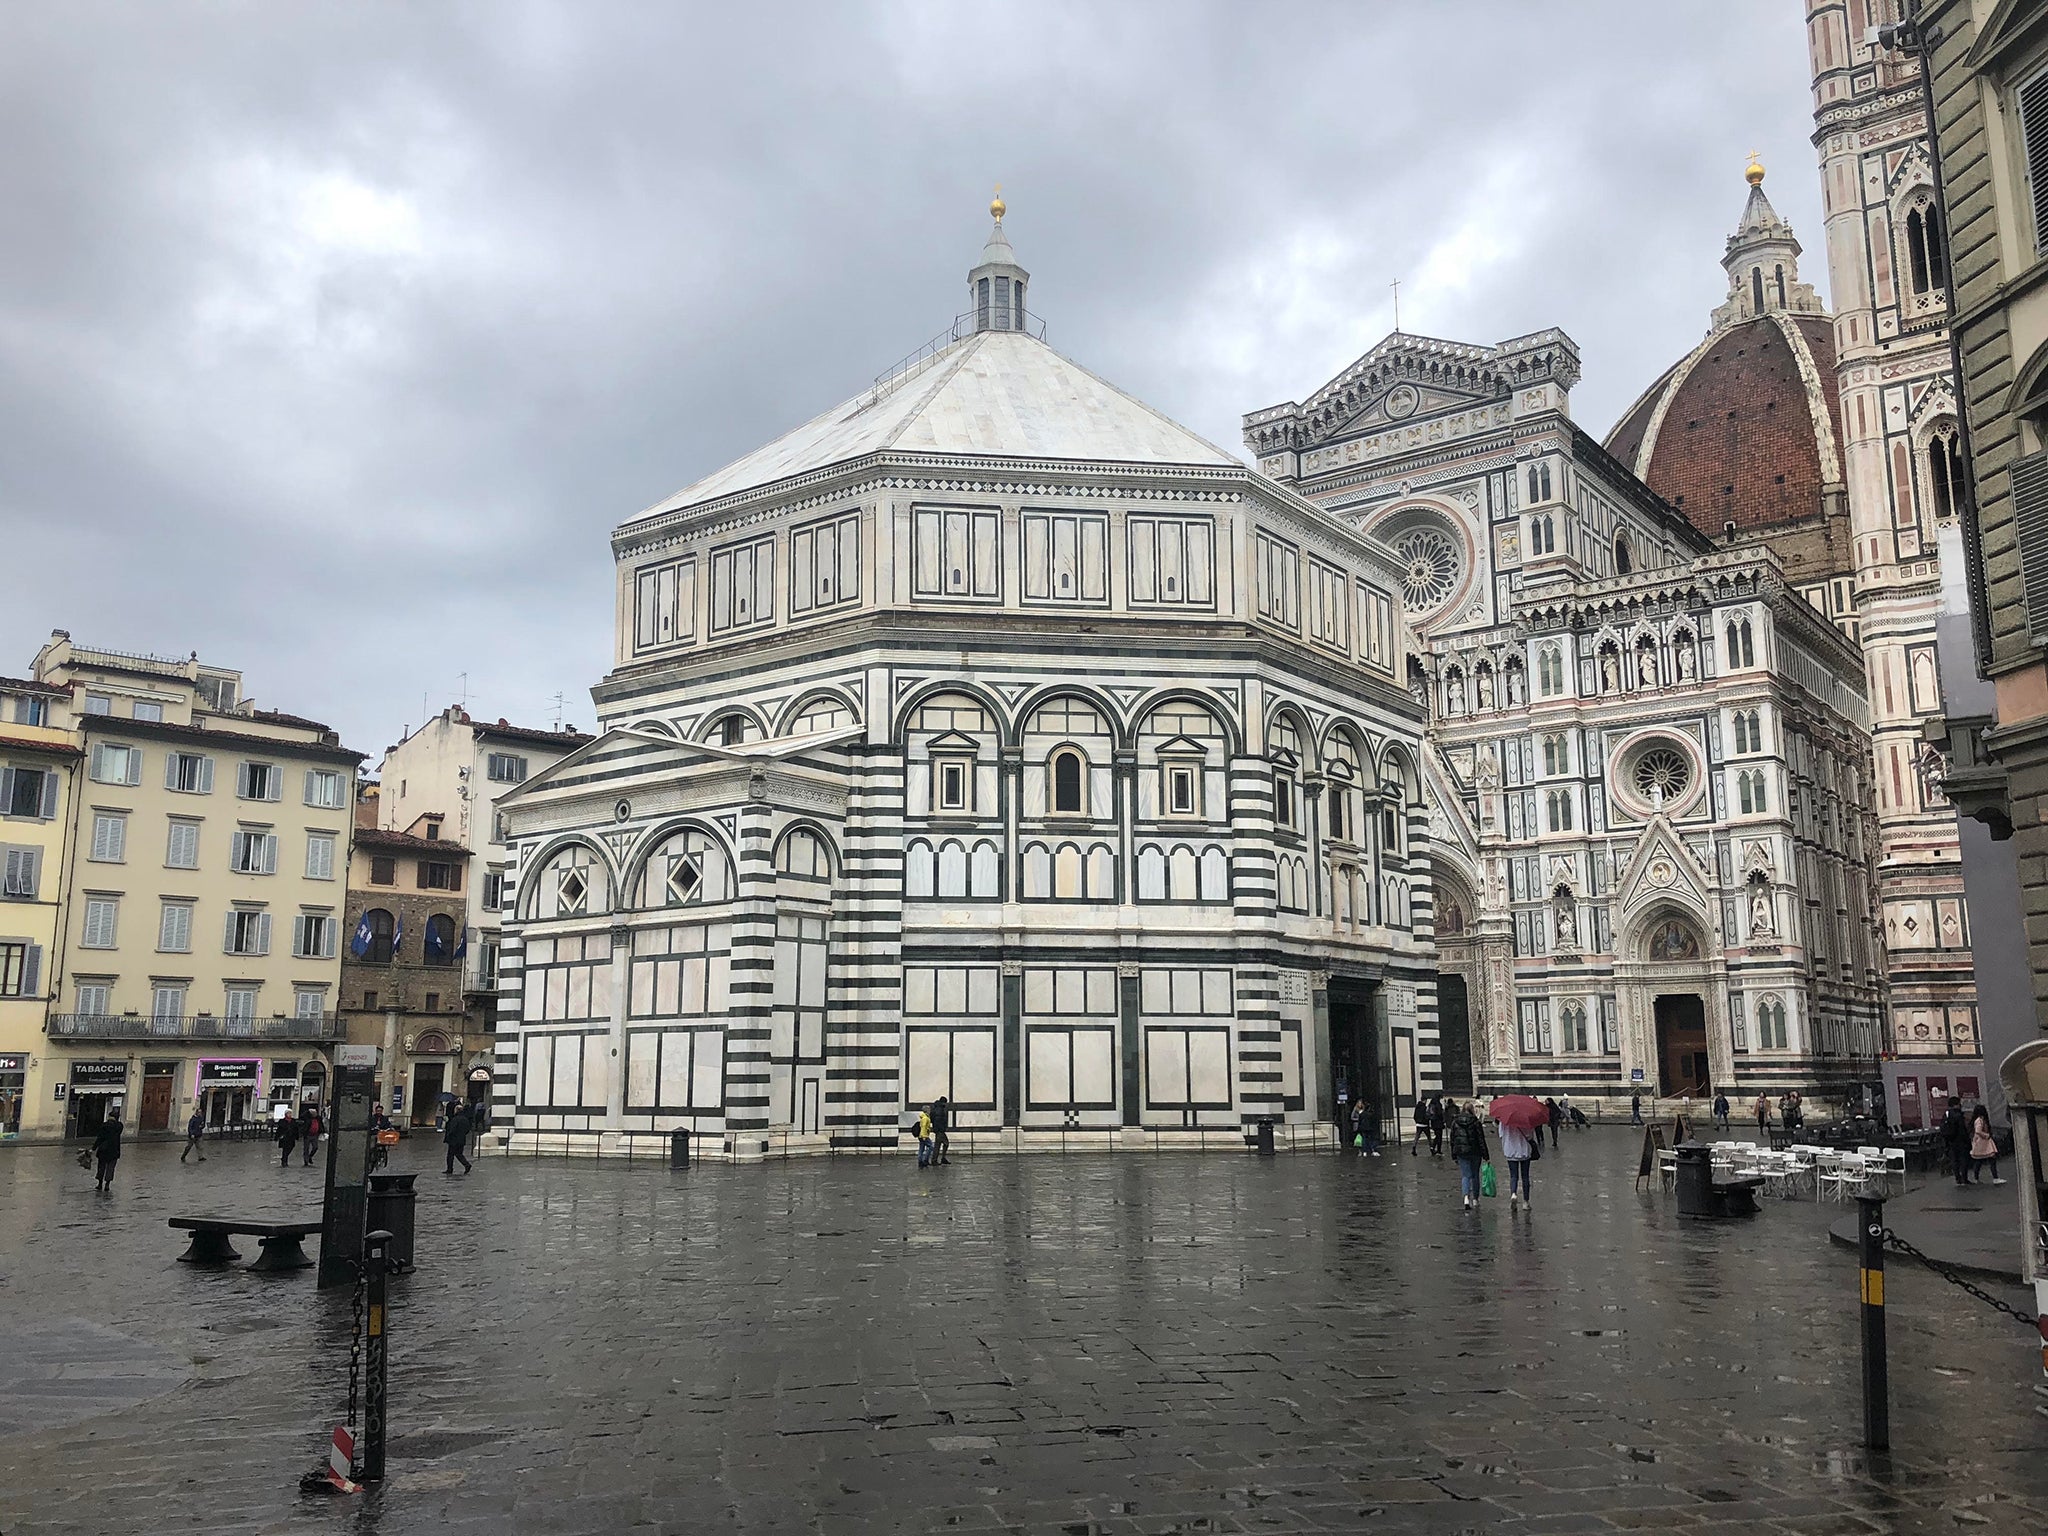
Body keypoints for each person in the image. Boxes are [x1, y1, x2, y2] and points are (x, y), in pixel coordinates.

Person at [1447, 1101, 1489, 1210]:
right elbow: (1481, 1140)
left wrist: (1454, 1155)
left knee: (1465, 1176)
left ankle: (1466, 1198)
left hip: (1461, 1152)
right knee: (1475, 1175)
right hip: (1475, 1152)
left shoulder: (1455, 1122)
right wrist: (1486, 1155)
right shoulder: (1476, 1122)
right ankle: (1475, 1199)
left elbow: (1453, 1140)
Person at [1498, 1116, 1537, 1210]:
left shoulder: (1504, 1120)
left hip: (1510, 1150)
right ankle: (1526, 1202)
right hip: (1524, 1150)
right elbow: (1530, 1135)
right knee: (1525, 1177)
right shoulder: (1526, 1118)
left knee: (1513, 1176)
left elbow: (1501, 1134)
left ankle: (1513, 1193)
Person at [1940, 1098, 1971, 1187]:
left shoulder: (1946, 1114)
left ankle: (1957, 1178)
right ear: (1957, 1104)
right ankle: (1964, 1178)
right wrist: (1967, 1141)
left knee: (1954, 1160)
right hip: (1960, 1141)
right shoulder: (1958, 1115)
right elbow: (1962, 1130)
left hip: (1950, 1141)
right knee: (1963, 1160)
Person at [1969, 1105, 2004, 1185]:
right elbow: (1978, 1131)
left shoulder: (1978, 1120)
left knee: (1979, 1161)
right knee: (1991, 1159)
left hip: (1980, 1143)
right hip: (1983, 1142)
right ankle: (1995, 1177)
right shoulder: (1980, 1120)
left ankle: (1976, 1178)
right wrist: (1986, 1135)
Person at [91, 1113, 124, 1192]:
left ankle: (99, 1183)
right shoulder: (119, 1126)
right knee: (110, 1168)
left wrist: (94, 1148)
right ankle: (107, 1184)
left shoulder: (104, 1126)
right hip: (114, 1150)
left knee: (101, 1167)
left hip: (103, 1149)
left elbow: (100, 1138)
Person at [443, 1103, 473, 1174]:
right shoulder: (465, 1119)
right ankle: (467, 1165)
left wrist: (448, 1136)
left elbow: (452, 1129)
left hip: (453, 1140)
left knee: (450, 1155)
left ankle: (449, 1169)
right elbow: (467, 1129)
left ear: (456, 1110)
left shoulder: (455, 1119)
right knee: (459, 1154)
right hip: (462, 1139)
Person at [929, 1096, 952, 1166]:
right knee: (944, 1144)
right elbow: (939, 1120)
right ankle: (937, 1159)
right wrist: (941, 1128)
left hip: (937, 1129)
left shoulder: (935, 1108)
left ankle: (938, 1159)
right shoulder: (940, 1109)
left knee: (939, 1144)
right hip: (940, 1130)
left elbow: (932, 1119)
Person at [1427, 1093, 1446, 1157]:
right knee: (1439, 1137)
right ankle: (1438, 1150)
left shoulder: (1431, 1104)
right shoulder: (1438, 1104)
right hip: (1438, 1123)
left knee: (1437, 1136)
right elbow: (1440, 1114)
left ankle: (1433, 1147)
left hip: (1433, 1122)